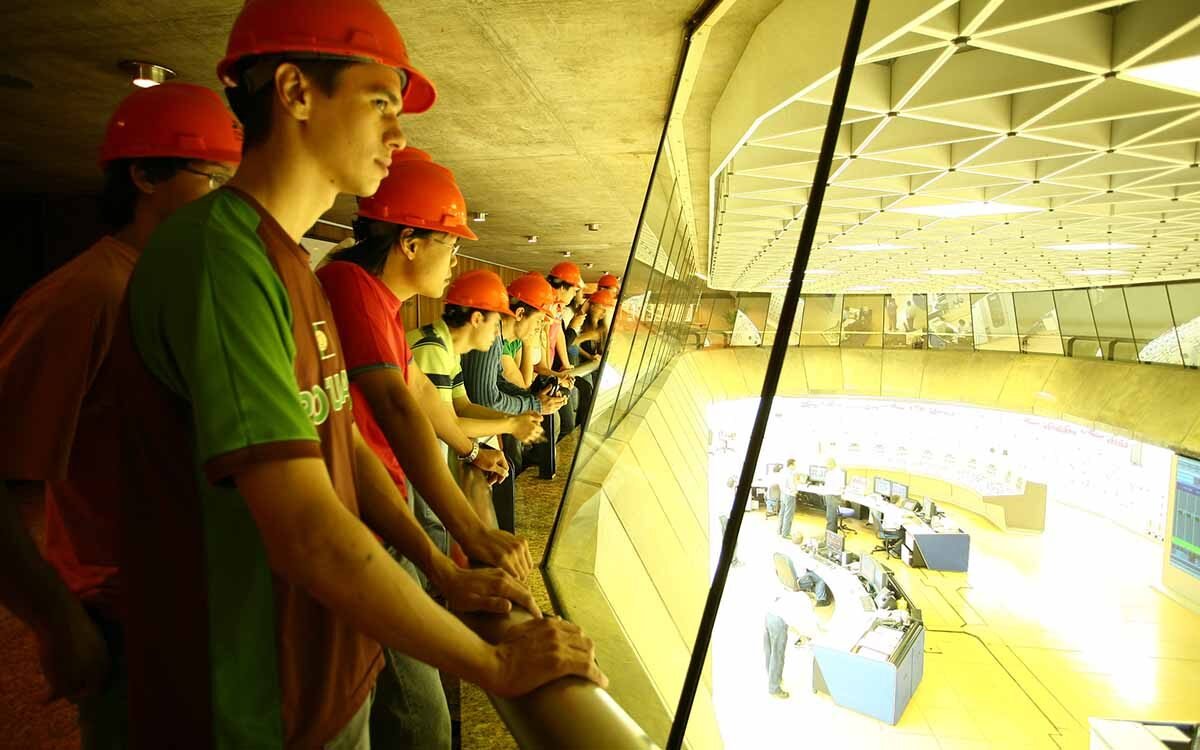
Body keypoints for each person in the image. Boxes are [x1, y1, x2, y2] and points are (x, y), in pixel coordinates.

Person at [109, 1, 605, 746]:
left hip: (321, 665)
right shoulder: (218, 259)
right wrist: (494, 663)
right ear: (295, 92)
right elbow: (304, 527)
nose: (398, 134)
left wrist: (440, 567)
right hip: (249, 695)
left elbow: (338, 439)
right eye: (380, 102)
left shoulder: (291, 265)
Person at [0, 82, 242, 747]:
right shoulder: (85, 296)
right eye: (213, 176)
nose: (228, 198)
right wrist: (56, 620)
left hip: (197, 605)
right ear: (143, 175)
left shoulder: (169, 285)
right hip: (125, 616)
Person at [316, 154, 546, 746]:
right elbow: (396, 407)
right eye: (450, 244)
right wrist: (469, 533)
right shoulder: (350, 287)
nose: (455, 261)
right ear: (412, 242)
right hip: (366, 523)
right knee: (419, 720)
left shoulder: (379, 303)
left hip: (384, 514)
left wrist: (470, 463)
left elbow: (418, 395)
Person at [406, 269, 546, 533]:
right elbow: (449, 424)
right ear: (477, 318)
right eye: (496, 325)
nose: (497, 335)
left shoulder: (447, 349)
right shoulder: (432, 348)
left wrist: (515, 420)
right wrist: (509, 426)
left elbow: (464, 406)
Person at [463, 274, 568, 480]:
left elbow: (498, 380)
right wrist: (535, 405)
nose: (539, 329)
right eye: (538, 321)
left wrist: (533, 399)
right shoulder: (491, 338)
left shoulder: (497, 339)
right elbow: (486, 399)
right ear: (520, 313)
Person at [818, 457, 847, 534]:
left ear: (832, 464)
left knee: (831, 520)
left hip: (833, 497)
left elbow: (839, 487)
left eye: (827, 465)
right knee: (831, 519)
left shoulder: (838, 473)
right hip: (830, 497)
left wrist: (827, 489)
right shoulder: (830, 472)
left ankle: (829, 541)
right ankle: (832, 539)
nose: (827, 467)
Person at [779, 458, 800, 538]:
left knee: (782, 513)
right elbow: (792, 486)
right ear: (791, 465)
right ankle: (785, 534)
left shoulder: (782, 471)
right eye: (795, 465)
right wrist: (795, 491)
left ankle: (780, 531)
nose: (796, 466)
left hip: (783, 494)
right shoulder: (790, 474)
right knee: (788, 515)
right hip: (790, 495)